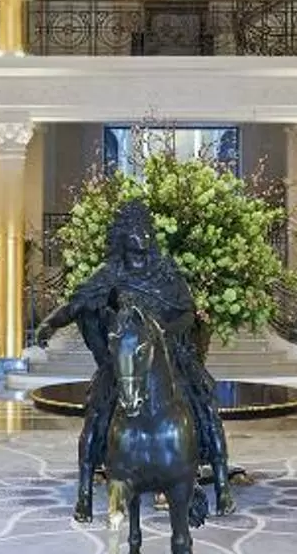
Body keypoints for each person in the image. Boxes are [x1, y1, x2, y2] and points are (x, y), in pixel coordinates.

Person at [38, 199, 231, 526]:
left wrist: (167, 332)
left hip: (169, 355)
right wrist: (50, 323)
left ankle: (222, 481)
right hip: (127, 360)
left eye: (146, 232)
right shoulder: (111, 275)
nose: (142, 239)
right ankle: (85, 489)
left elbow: (187, 312)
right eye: (135, 233)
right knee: (98, 412)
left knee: (203, 404)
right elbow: (78, 303)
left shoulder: (166, 272)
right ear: (124, 240)